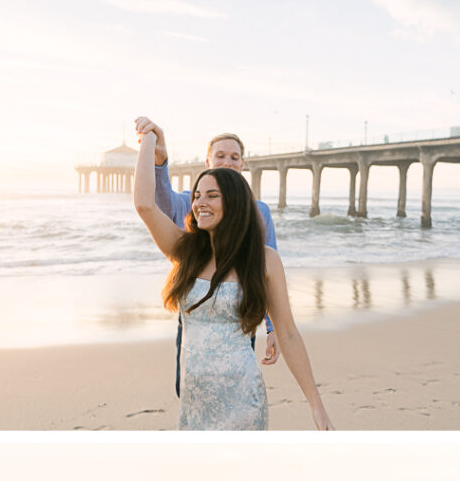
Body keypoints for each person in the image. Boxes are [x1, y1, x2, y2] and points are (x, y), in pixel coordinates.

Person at [133, 130, 334, 430]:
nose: (201, 202)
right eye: (198, 195)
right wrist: (149, 138)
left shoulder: (264, 260)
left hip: (242, 401)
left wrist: (317, 406)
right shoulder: (186, 252)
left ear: (236, 202)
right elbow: (145, 205)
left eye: (213, 196)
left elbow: (289, 334)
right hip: (194, 402)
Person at [134, 118, 279, 397]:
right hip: (197, 311)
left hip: (239, 314)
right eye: (221, 156)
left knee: (236, 393)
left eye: (234, 157)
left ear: (243, 163)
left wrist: (273, 327)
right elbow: (159, 206)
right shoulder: (194, 202)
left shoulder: (259, 211)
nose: (228, 162)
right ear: (207, 161)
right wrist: (159, 160)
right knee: (188, 391)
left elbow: (268, 270)